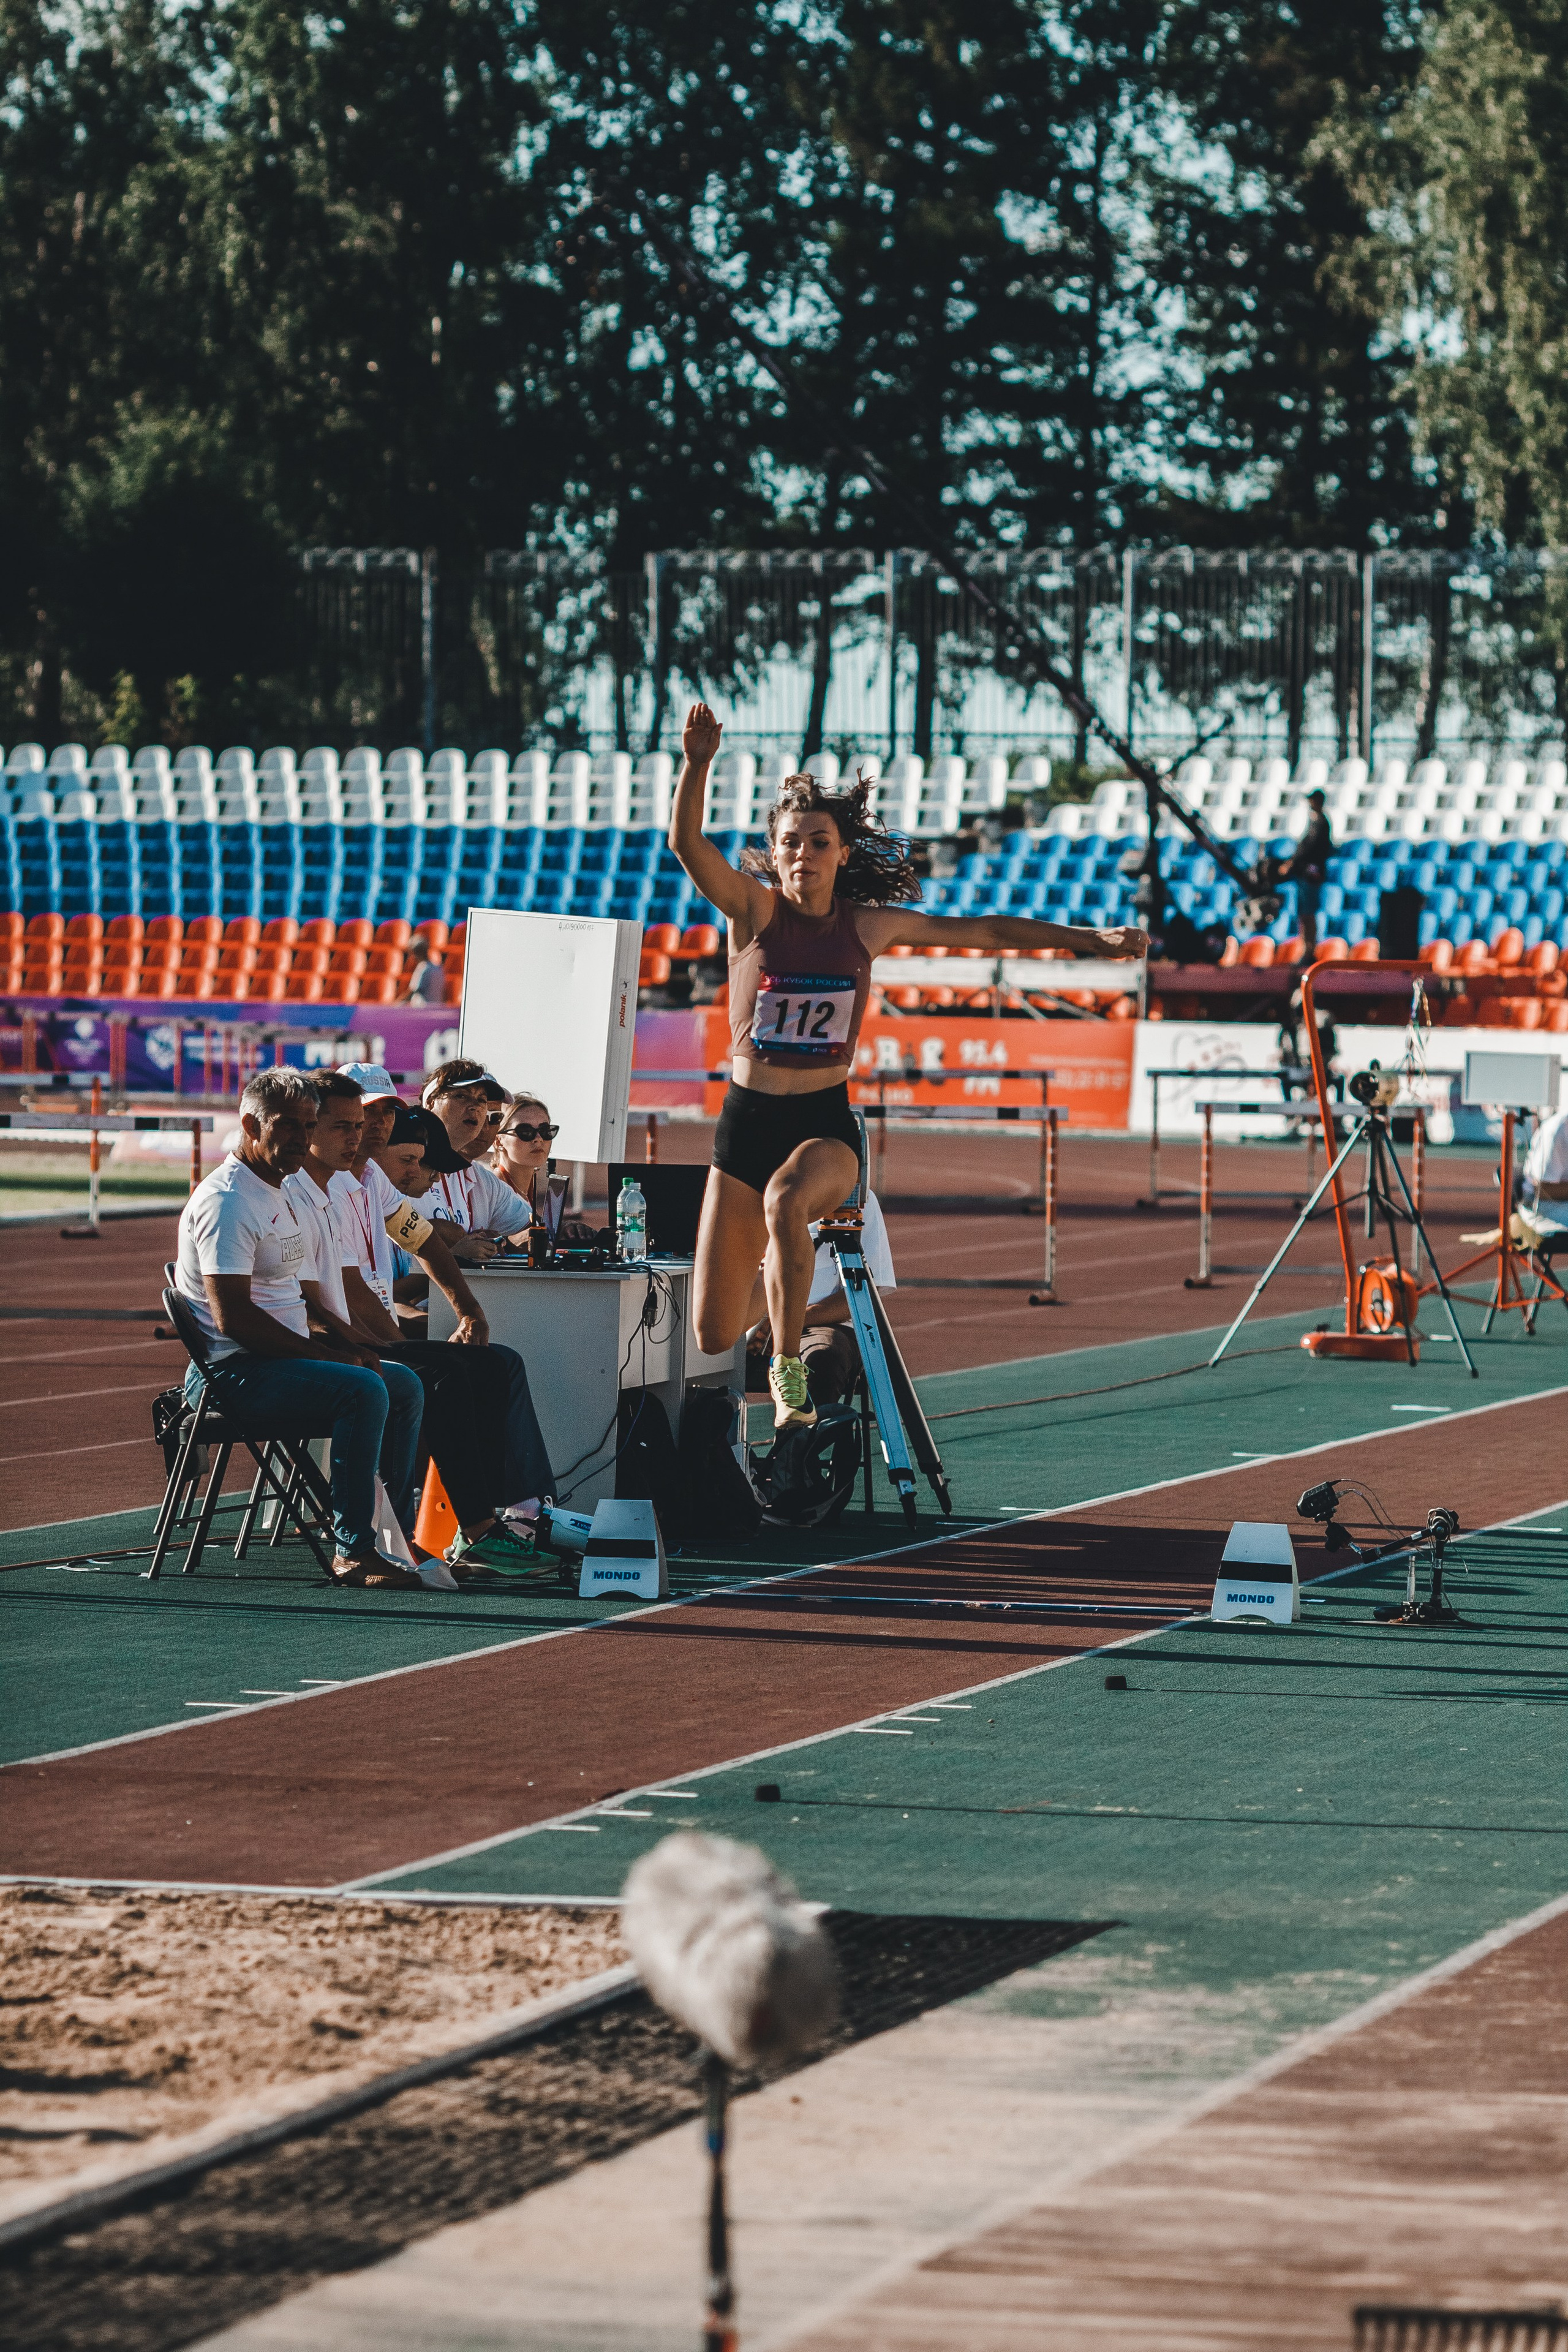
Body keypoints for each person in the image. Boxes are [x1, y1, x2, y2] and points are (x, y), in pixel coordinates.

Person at [669, 699, 1147, 1431]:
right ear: (775, 848)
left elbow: (982, 930)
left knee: (790, 1201)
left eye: (819, 842)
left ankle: (788, 1368)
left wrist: (1087, 940)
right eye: (791, 842)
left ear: (841, 854)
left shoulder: (866, 926)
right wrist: (697, 763)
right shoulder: (754, 913)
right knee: (709, 1332)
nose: (803, 855)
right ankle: (776, 1311)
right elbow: (685, 845)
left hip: (820, 1122)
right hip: (746, 1124)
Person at [173, 1067, 423, 1590]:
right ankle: (353, 1550)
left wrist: (343, 1341)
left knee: (403, 1382)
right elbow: (234, 1318)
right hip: (233, 1372)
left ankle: (389, 1532)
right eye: (288, 1125)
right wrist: (334, 1357)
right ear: (250, 1124)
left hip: (279, 1361)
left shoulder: (279, 1188)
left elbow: (292, 1298)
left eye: (309, 1127)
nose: (301, 1139)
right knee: (363, 1388)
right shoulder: (230, 1200)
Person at [344, 1093, 559, 1580]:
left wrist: (470, 1310)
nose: (370, 1129)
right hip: (326, 1345)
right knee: (438, 1376)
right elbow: (342, 1288)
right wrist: (398, 1343)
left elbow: (421, 1237)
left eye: (381, 1118)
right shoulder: (321, 1187)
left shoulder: (372, 1181)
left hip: (368, 1334)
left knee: (491, 1361)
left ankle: (515, 1517)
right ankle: (436, 1530)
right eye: (358, 1122)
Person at [745, 1186, 896, 1408]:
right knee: (693, 1352)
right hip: (751, 1319)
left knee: (822, 1357)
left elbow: (863, 1295)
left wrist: (784, 1322)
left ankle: (794, 1441)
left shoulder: (856, 1199)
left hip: (824, 1324)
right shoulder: (746, 1191)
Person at [416, 1060, 533, 1254]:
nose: (475, 1108)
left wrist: (500, 1242)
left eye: (481, 1100)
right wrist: (455, 1249)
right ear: (430, 1103)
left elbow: (531, 1227)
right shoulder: (402, 1161)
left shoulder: (471, 1171)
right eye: (462, 1096)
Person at [1286, 788, 1334, 952]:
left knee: (1308, 912)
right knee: (1304, 912)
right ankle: (1306, 947)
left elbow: (1310, 848)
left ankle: (1310, 948)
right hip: (1305, 873)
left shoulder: (1320, 823)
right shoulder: (1315, 822)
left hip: (1311, 874)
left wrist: (1294, 861)